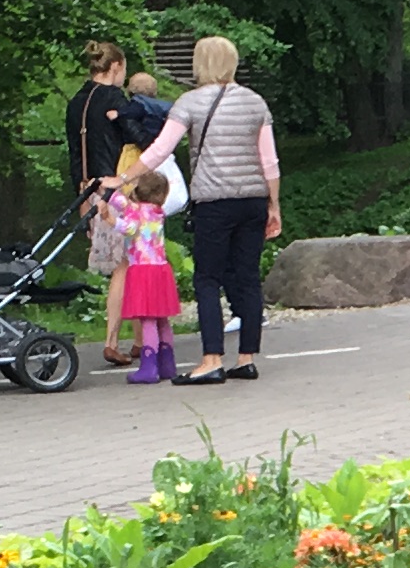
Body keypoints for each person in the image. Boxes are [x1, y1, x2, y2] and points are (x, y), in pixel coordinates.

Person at [134, 35, 281, 383]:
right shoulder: (255, 102)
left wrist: (124, 176)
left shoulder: (190, 102)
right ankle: (246, 358)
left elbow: (161, 149)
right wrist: (274, 204)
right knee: (247, 277)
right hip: (253, 200)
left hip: (214, 203)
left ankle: (212, 359)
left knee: (207, 278)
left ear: (200, 64)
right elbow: (269, 161)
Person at [63, 41, 141, 365]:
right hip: (115, 188)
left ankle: (140, 339)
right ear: (116, 66)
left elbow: (75, 154)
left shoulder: (76, 103)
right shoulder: (114, 100)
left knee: (131, 261)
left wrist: (81, 199)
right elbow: (136, 137)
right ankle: (112, 340)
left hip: (88, 189)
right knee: (125, 264)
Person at [111, 165, 182, 380]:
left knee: (147, 320)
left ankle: (149, 368)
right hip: (161, 270)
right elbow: (123, 203)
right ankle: (167, 365)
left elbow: (129, 227)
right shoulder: (158, 212)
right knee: (162, 319)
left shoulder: (135, 211)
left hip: (142, 271)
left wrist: (109, 217)